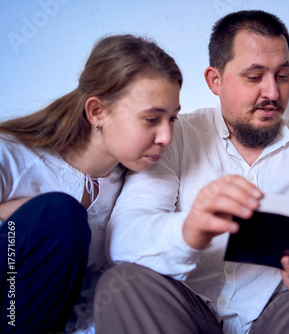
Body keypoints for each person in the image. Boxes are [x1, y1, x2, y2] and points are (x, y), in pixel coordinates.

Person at [95, 10, 289, 334]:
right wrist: (190, 228)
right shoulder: (174, 137)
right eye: (254, 77)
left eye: (282, 76)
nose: (272, 92)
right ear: (215, 80)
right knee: (123, 283)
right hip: (186, 316)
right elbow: (123, 238)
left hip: (276, 317)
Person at [0, 34, 182, 333]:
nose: (166, 137)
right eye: (151, 119)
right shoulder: (11, 157)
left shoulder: (138, 185)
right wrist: (20, 220)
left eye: (172, 119)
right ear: (98, 112)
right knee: (60, 215)